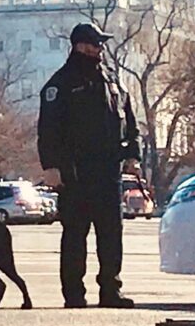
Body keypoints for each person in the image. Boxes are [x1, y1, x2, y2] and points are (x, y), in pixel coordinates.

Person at [37, 21, 141, 309]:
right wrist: (52, 167)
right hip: (76, 173)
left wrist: (133, 155)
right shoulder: (61, 84)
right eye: (96, 44)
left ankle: (111, 290)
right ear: (81, 46)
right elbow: (48, 130)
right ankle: (74, 294)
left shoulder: (112, 81)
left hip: (108, 172)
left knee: (111, 234)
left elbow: (130, 121)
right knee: (75, 235)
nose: (101, 48)